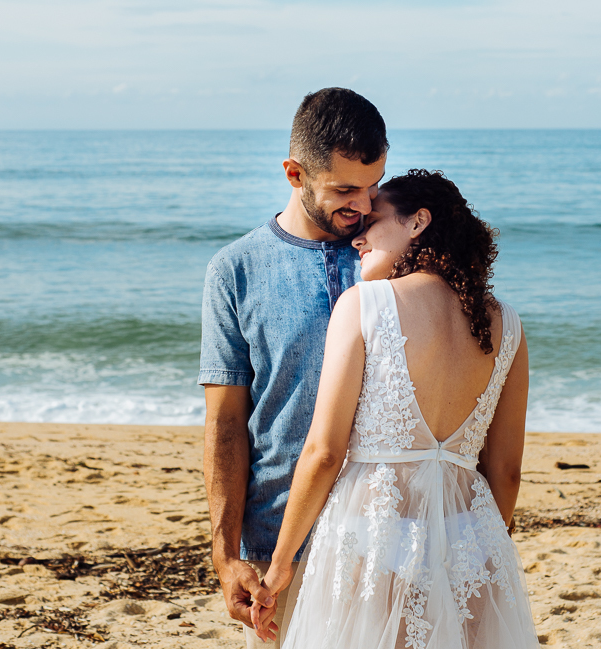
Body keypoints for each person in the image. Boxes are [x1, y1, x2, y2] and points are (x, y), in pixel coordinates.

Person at [250, 169, 540, 649]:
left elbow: (323, 452)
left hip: (375, 530)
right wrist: (478, 551)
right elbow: (506, 470)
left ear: (417, 222)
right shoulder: (506, 324)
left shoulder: (365, 304)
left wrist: (280, 566)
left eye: (374, 221)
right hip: (469, 534)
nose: (357, 237)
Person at [200, 88, 389, 649]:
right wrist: (225, 554)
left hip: (387, 535)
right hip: (280, 542)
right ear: (294, 173)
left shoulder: (391, 256)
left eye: (375, 185)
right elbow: (227, 423)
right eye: (345, 190)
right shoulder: (234, 270)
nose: (365, 204)